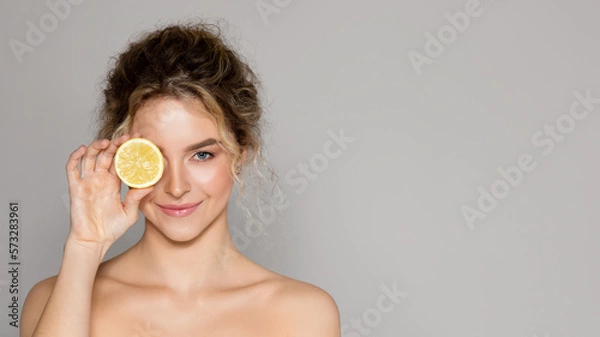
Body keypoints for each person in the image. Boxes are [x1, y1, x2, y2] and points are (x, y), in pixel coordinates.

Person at [20, 20, 340, 337]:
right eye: (153, 157)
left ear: (240, 154)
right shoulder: (52, 300)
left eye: (202, 155)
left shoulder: (303, 313)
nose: (176, 187)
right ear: (122, 159)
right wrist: (84, 248)